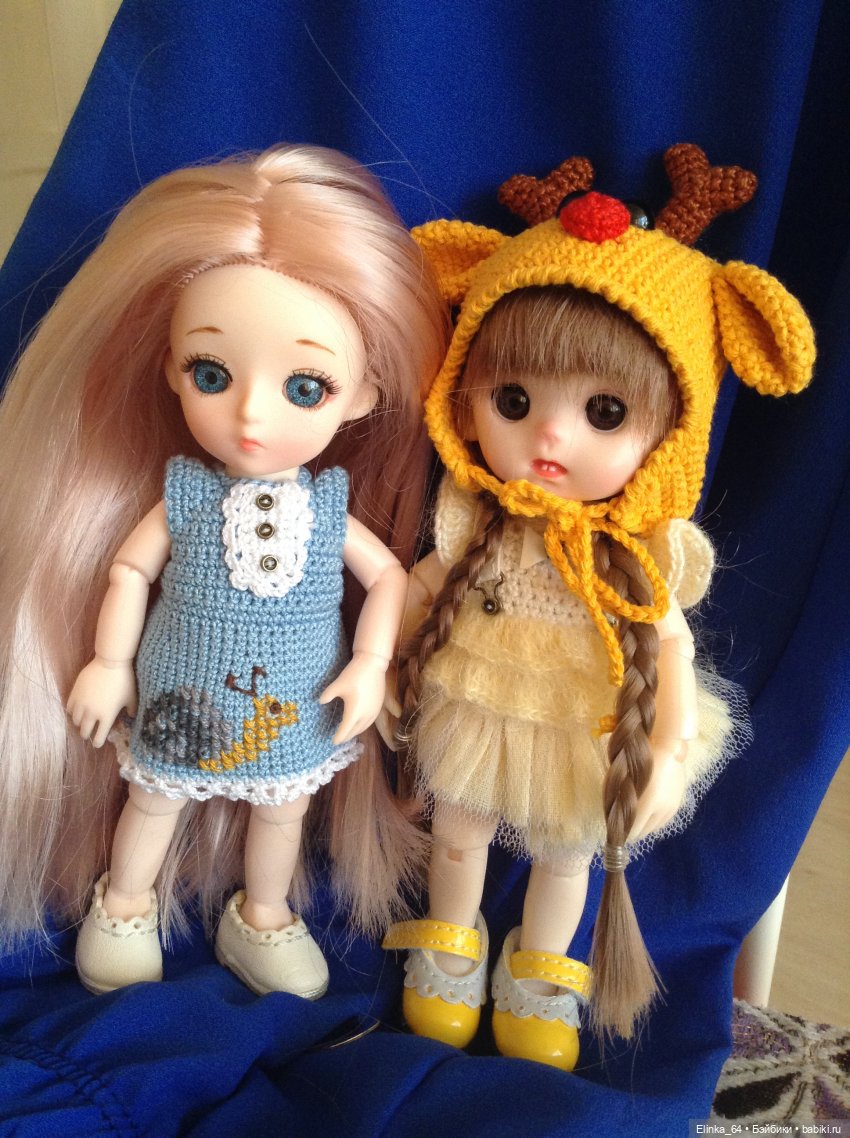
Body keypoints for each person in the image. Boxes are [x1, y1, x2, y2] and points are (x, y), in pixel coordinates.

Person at [383, 145, 815, 1069]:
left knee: (566, 854)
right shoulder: (478, 524)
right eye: (513, 399)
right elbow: (418, 588)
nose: (550, 434)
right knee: (456, 834)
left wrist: (666, 751)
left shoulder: (633, 559)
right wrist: (386, 662)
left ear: (669, 434)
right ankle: (448, 950)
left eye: (605, 414)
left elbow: (669, 644)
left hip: (585, 721)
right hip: (476, 703)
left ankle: (542, 974)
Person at [0, 143, 448, 996]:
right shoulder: (185, 496)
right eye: (212, 374)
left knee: (283, 811)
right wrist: (108, 663)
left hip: (297, 703)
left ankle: (264, 915)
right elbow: (129, 574)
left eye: (305, 387)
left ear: (362, 396)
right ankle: (125, 903)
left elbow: (388, 577)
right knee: (156, 799)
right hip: (181, 694)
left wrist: (370, 664)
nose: (249, 414)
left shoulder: (328, 509)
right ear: (172, 372)